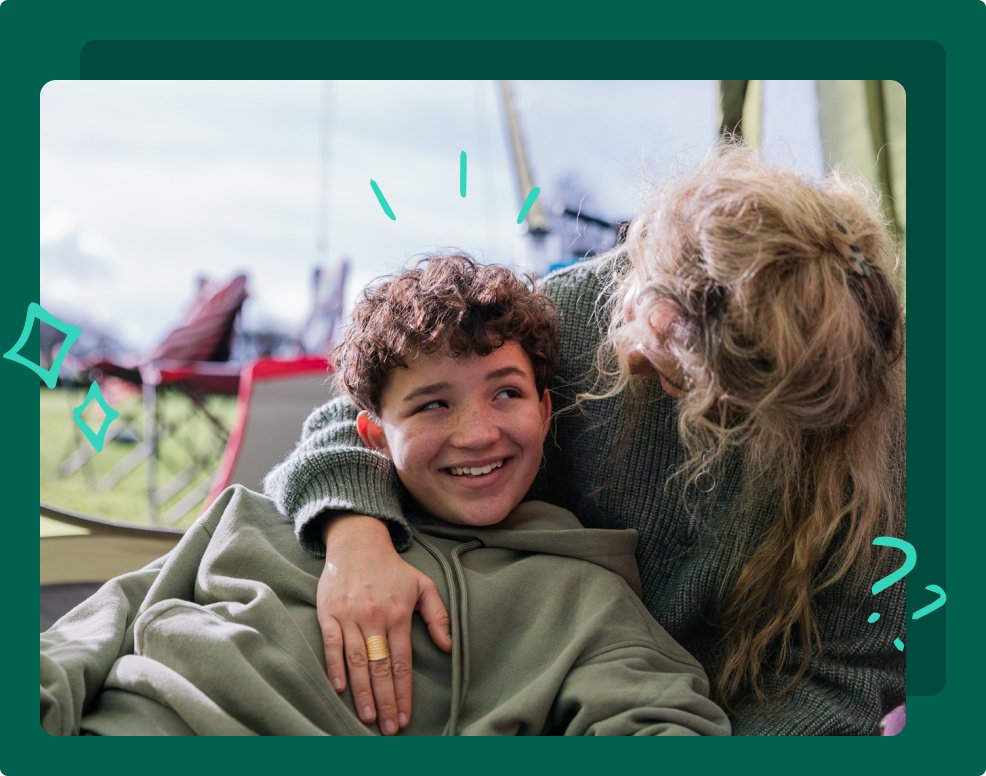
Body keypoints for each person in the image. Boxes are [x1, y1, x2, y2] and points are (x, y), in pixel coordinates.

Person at [264, 144, 906, 736]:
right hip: (530, 675)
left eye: (726, 401)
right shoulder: (583, 305)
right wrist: (355, 538)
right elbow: (365, 419)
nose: (633, 336)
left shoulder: (895, 436)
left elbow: (851, 673)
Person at [41, 254, 730, 737]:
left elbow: (660, 723)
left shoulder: (581, 595)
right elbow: (96, 628)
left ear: (547, 413)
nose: (476, 433)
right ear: (372, 435)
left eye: (506, 394)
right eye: (432, 406)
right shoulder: (252, 516)